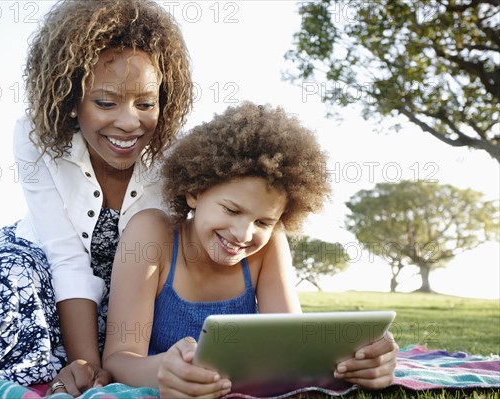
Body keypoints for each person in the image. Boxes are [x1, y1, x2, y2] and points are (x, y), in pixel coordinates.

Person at [0, 0, 193, 396]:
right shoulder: (35, 139)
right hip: (36, 267)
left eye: (145, 103)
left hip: (122, 299)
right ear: (71, 101)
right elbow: (64, 256)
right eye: (105, 103)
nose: (128, 122)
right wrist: (85, 363)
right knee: (8, 281)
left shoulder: (178, 159)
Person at [102, 102, 399, 398]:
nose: (243, 234)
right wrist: (164, 372)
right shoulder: (152, 234)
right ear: (194, 191)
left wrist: (364, 362)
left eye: (263, 221)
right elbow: (119, 359)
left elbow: (294, 350)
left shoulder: (268, 246)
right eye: (231, 210)